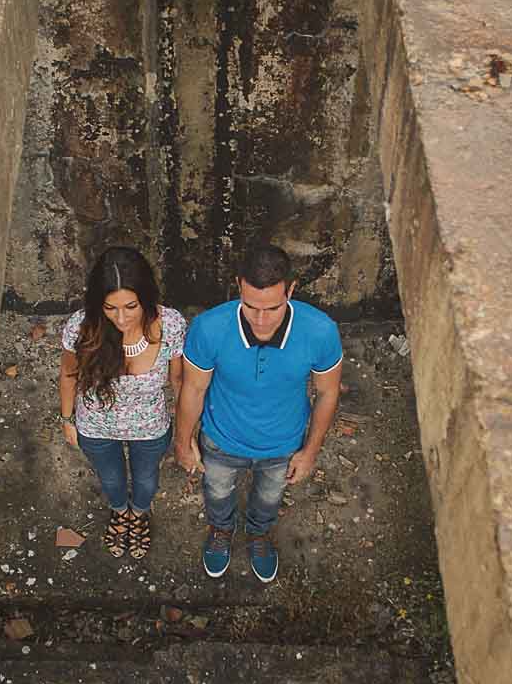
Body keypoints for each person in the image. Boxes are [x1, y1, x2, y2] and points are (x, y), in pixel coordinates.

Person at [174, 244, 343, 583]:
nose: (261, 320)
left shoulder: (320, 331)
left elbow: (327, 392)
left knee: (268, 498)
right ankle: (221, 530)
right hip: (221, 440)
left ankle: (258, 534)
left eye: (273, 308)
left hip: (283, 446)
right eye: (251, 306)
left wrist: (310, 452)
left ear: (291, 291)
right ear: (238, 286)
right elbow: (192, 389)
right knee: (217, 493)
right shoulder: (209, 328)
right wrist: (182, 441)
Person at [59, 247, 186, 560]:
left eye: (131, 306)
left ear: (146, 297)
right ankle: (119, 513)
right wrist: (67, 420)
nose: (121, 318)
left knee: (145, 480)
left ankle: (138, 514)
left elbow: (179, 382)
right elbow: (68, 374)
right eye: (110, 308)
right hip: (96, 427)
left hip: (151, 428)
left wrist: (186, 432)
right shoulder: (81, 327)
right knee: (112, 479)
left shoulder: (170, 325)